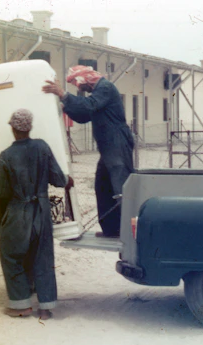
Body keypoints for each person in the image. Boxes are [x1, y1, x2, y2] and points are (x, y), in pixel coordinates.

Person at [0, 109, 73, 320]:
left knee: (11, 255)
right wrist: (66, 179)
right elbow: (59, 180)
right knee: (43, 257)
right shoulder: (42, 147)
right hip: (42, 211)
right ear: (29, 127)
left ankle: (21, 305)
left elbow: (3, 193)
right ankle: (45, 307)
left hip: (18, 212)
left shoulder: (5, 156)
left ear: (13, 128)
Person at [42, 65, 134, 237]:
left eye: (76, 82)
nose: (77, 86)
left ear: (84, 78)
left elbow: (89, 106)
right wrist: (65, 105)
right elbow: (83, 116)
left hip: (117, 144)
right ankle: (111, 230)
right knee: (103, 186)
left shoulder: (105, 88)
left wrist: (64, 94)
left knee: (121, 187)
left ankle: (130, 231)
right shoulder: (98, 93)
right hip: (108, 147)